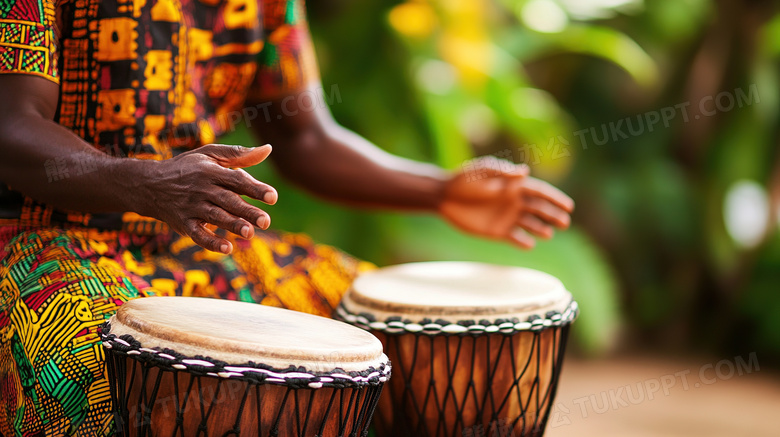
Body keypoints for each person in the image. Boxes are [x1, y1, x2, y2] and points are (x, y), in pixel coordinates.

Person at [0, 0, 574, 434]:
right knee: (89, 369)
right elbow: (11, 128)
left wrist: (440, 190)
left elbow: (305, 136)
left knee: (390, 335)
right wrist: (149, 184)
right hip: (44, 241)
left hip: (202, 241)